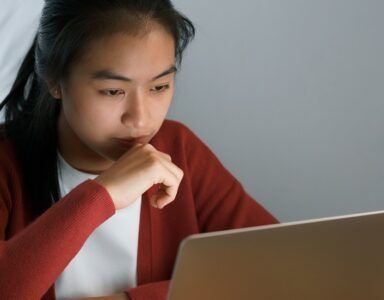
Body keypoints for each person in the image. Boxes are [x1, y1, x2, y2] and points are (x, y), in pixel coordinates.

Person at [0, 0, 278, 299]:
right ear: (54, 80)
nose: (141, 119)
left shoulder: (179, 148)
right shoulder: (6, 162)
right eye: (113, 91)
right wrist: (102, 195)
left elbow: (278, 265)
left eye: (159, 87)